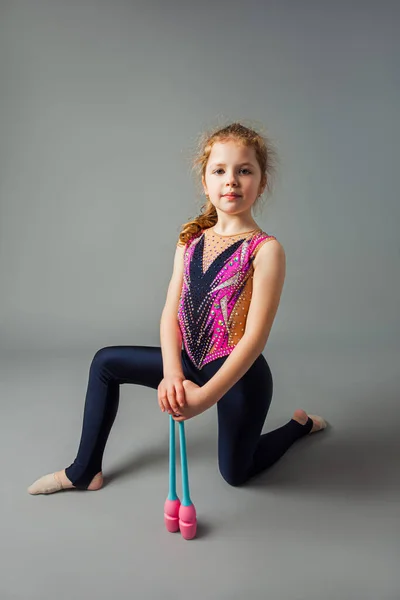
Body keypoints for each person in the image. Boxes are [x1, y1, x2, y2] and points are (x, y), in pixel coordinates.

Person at [28, 122, 327, 495]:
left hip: (239, 377)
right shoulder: (190, 241)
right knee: (106, 363)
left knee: (237, 473)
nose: (231, 180)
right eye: (220, 170)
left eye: (244, 170)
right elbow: (171, 313)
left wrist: (205, 396)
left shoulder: (265, 250)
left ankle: (296, 428)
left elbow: (255, 339)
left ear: (261, 183)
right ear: (205, 182)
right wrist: (172, 374)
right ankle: (84, 470)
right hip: (189, 362)